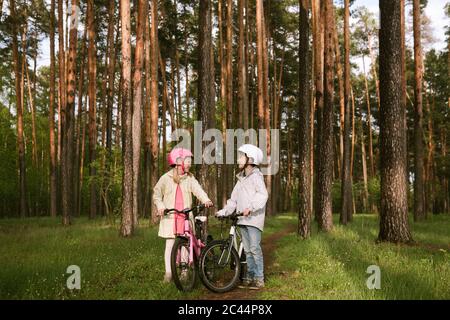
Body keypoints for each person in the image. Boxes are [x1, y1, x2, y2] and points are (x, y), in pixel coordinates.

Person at [153, 147, 213, 283]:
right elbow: (156, 194)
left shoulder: (189, 178)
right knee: (170, 245)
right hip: (171, 217)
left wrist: (206, 200)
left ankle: (185, 271)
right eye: (187, 161)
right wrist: (161, 206)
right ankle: (169, 274)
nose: (189, 164)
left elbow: (198, 190)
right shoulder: (166, 178)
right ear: (178, 161)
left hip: (185, 217)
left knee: (186, 244)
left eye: (190, 161)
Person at [216, 144, 268, 290]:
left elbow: (263, 195)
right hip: (242, 219)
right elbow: (233, 201)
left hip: (254, 219)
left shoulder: (256, 177)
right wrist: (224, 212)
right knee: (247, 250)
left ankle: (259, 277)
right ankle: (250, 275)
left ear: (250, 159)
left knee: (254, 248)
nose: (238, 159)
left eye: (241, 156)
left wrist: (250, 208)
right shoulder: (241, 180)